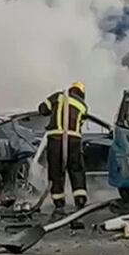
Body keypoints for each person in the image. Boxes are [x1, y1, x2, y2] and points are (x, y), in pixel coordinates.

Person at [38, 81, 88, 211]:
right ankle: (80, 199)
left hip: (56, 139)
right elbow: (81, 122)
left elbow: (42, 109)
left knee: (55, 169)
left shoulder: (58, 96)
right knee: (76, 168)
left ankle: (59, 201)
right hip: (74, 140)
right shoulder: (83, 106)